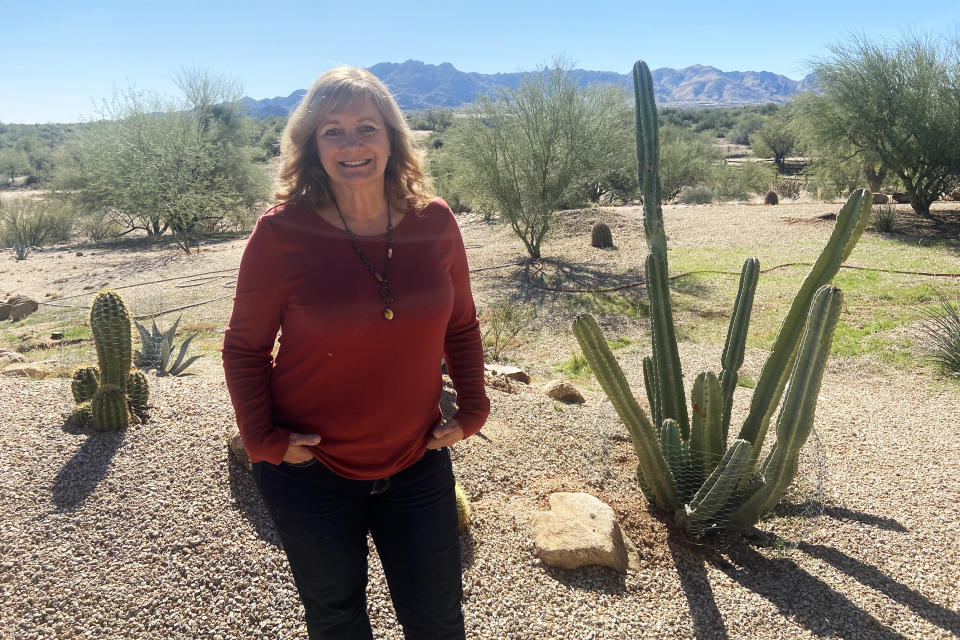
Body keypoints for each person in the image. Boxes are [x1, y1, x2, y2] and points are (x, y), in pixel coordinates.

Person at [221, 66, 489, 640]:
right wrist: (263, 441)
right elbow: (244, 348)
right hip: (312, 473)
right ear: (311, 147)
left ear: (392, 137)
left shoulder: (435, 223)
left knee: (439, 621)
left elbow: (461, 327)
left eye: (366, 127)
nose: (351, 145)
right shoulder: (281, 234)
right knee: (337, 619)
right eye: (332, 131)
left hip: (417, 464)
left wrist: (473, 410)